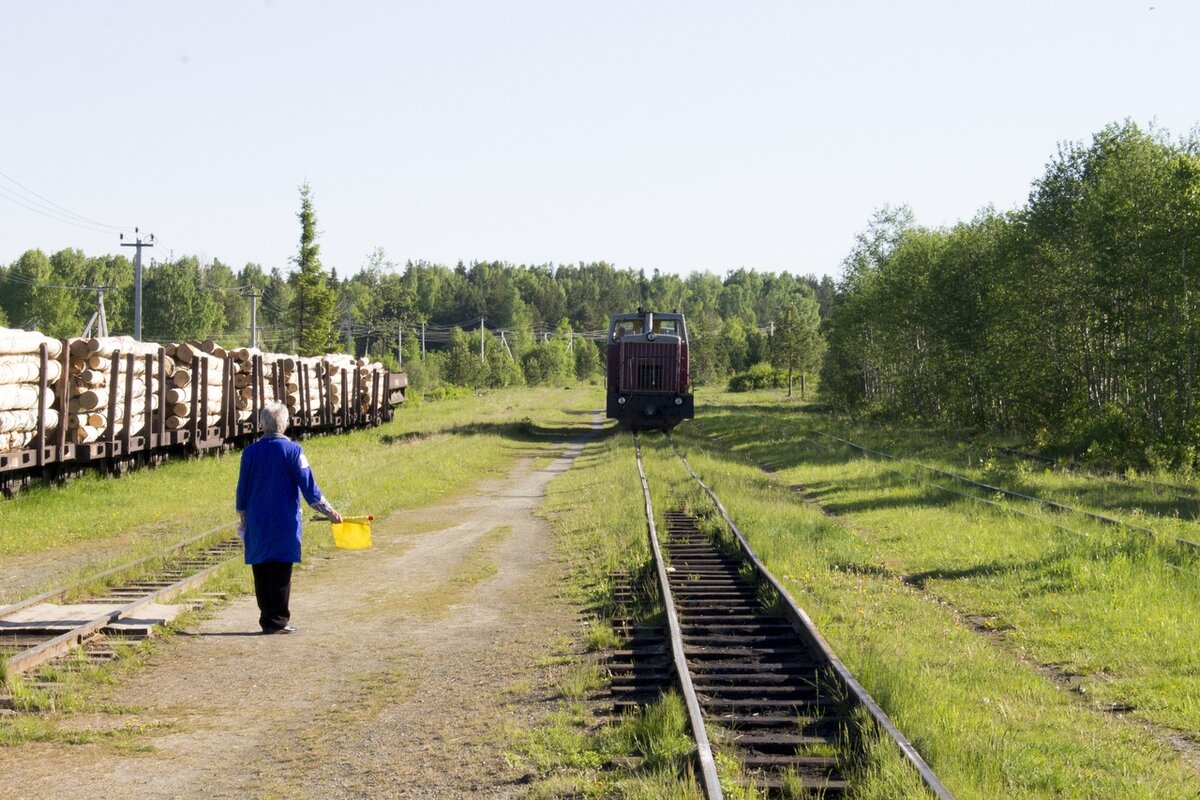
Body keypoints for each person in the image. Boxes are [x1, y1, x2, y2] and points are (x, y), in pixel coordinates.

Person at [235, 402, 342, 634]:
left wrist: (243, 518)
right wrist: (329, 511)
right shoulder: (294, 451)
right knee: (282, 571)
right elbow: (310, 489)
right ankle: (278, 620)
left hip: (258, 521)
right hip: (284, 521)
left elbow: (241, 491)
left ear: (262, 424)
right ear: (285, 424)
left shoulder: (249, 453)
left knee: (261, 570)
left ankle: (267, 619)